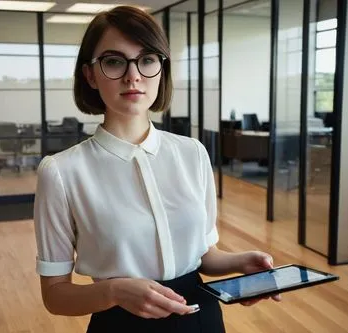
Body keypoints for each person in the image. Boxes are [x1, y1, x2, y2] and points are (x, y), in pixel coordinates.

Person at [33, 5, 280, 333]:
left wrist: (240, 262)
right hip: (121, 324)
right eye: (114, 61)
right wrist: (114, 290)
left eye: (147, 60)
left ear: (161, 69)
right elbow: (54, 295)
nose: (133, 75)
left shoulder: (192, 153)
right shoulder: (61, 172)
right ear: (90, 74)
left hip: (202, 318)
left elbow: (205, 255)